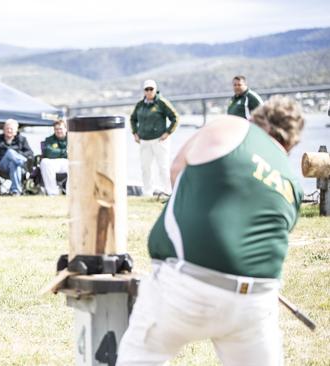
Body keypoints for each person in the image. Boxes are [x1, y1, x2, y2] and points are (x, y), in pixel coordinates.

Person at [117, 96, 305, 365]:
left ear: (256, 117)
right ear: (291, 144)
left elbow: (176, 169)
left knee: (142, 355)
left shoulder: (232, 126)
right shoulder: (291, 180)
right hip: (257, 298)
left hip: (186, 283)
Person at [130, 79, 179, 197]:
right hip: (144, 141)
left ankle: (167, 191)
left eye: (151, 89)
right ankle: (147, 192)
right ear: (144, 91)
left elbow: (175, 117)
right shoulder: (140, 105)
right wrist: (135, 133)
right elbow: (133, 119)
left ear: (155, 89)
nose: (149, 91)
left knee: (163, 166)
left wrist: (168, 132)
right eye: (146, 89)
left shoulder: (162, 103)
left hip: (159, 140)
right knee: (145, 167)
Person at [0, 119, 34, 196]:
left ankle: (15, 191)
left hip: (15, 167)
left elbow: (30, 153)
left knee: (13, 164)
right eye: (7, 128)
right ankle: (22, 163)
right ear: (4, 129)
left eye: (11, 129)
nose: (9, 130)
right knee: (10, 152)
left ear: (16, 130)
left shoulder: (22, 140)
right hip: (1, 167)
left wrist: (17, 154)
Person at [40, 119, 68, 196]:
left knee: (76, 163)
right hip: (54, 163)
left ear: (66, 129)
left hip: (68, 162)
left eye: (60, 129)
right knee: (44, 162)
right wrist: (65, 152)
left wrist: (57, 151)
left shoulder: (73, 138)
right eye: (56, 129)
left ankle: (70, 191)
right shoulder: (49, 140)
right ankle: (52, 192)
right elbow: (49, 153)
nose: (58, 131)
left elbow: (75, 153)